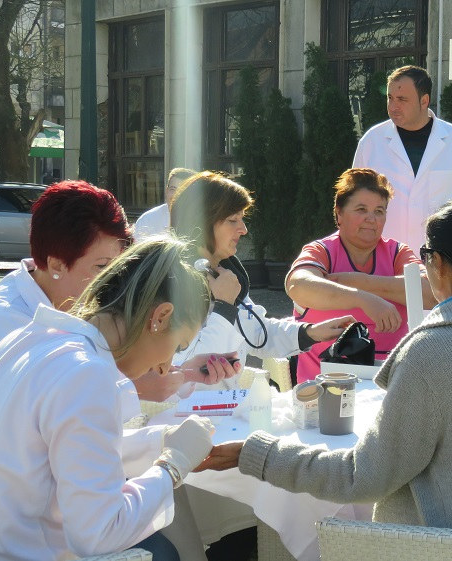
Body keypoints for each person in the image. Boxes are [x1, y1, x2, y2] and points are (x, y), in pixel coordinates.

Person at [197, 191, 452, 531]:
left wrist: (259, 454)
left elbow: (361, 477)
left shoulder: (429, 352)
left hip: (440, 548)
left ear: (437, 264)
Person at [0, 181, 238, 561]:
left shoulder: (35, 333)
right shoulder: (86, 371)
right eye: (177, 345)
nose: (166, 364)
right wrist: (173, 465)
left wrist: (161, 441)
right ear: (160, 316)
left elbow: (66, 451)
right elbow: (99, 533)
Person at [169, 171, 354, 560]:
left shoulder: (225, 276)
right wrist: (223, 306)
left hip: (227, 419)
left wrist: (311, 333)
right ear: (203, 223)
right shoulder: (171, 283)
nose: (243, 229)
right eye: (233, 220)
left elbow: (259, 332)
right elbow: (188, 367)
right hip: (191, 427)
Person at [287, 168, 436, 382]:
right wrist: (363, 299)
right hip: (325, 388)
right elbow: (298, 286)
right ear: (339, 213)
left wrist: (360, 282)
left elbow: (431, 292)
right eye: (361, 209)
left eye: (379, 211)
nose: (371, 219)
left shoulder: (397, 253)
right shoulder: (322, 251)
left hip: (389, 386)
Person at [352, 65, 452, 252]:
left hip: (441, 260)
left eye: (402, 99)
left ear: (424, 101)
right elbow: (354, 203)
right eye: (390, 98)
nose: (393, 106)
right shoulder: (371, 143)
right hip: (383, 260)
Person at [135, 167, 197, 239]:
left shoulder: (202, 222)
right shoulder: (147, 221)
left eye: (183, 191)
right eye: (173, 189)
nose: (176, 195)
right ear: (166, 190)